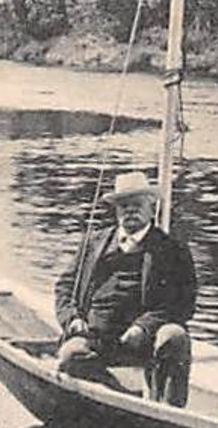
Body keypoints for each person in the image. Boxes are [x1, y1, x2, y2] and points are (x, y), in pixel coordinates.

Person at [54, 171, 196, 406]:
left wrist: (143, 327)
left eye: (137, 204)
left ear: (151, 208)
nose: (130, 211)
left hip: (143, 341)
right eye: (124, 206)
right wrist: (72, 319)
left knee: (175, 337)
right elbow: (64, 286)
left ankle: (170, 415)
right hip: (96, 336)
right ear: (116, 210)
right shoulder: (95, 242)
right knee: (71, 356)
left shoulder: (172, 250)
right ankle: (124, 398)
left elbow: (183, 304)